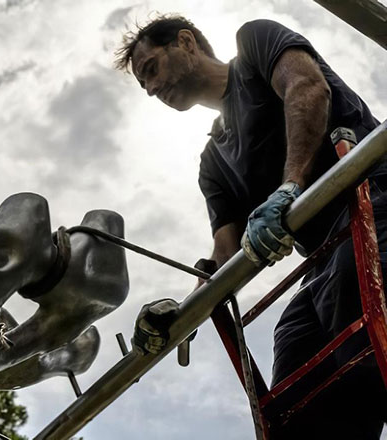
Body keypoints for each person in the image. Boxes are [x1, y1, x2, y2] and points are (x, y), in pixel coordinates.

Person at [115, 14, 387, 439]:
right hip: (323, 258)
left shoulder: (255, 47)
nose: (151, 89)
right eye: (143, 85)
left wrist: (289, 187)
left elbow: (307, 87)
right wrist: (182, 313)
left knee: (352, 287)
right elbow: (227, 254)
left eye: (151, 69)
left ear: (185, 42)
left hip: (374, 200)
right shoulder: (213, 163)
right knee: (294, 351)